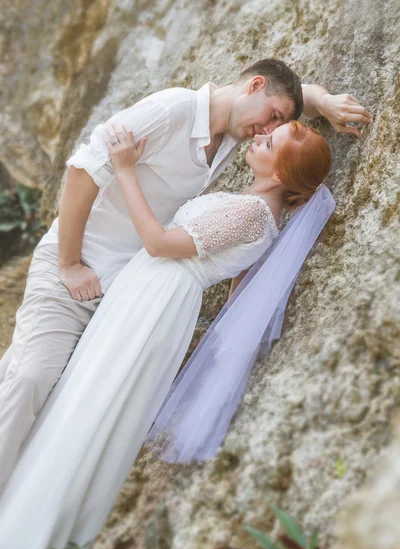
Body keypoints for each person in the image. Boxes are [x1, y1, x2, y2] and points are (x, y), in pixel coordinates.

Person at [0, 58, 372, 493]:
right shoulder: (170, 111)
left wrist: (323, 102)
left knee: (45, 392)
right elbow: (83, 170)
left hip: (122, 290)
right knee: (30, 379)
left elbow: (286, 97)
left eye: (275, 128)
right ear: (252, 86)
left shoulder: (236, 136)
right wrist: (68, 263)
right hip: (78, 271)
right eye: (270, 121)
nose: (264, 132)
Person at [0, 118, 332, 549]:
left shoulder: (253, 215)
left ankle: (22, 540)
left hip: (155, 302)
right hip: (148, 294)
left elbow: (160, 243)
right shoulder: (258, 213)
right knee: (81, 401)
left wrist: (126, 169)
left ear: (279, 174)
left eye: (270, 141)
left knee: (89, 409)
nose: (259, 137)